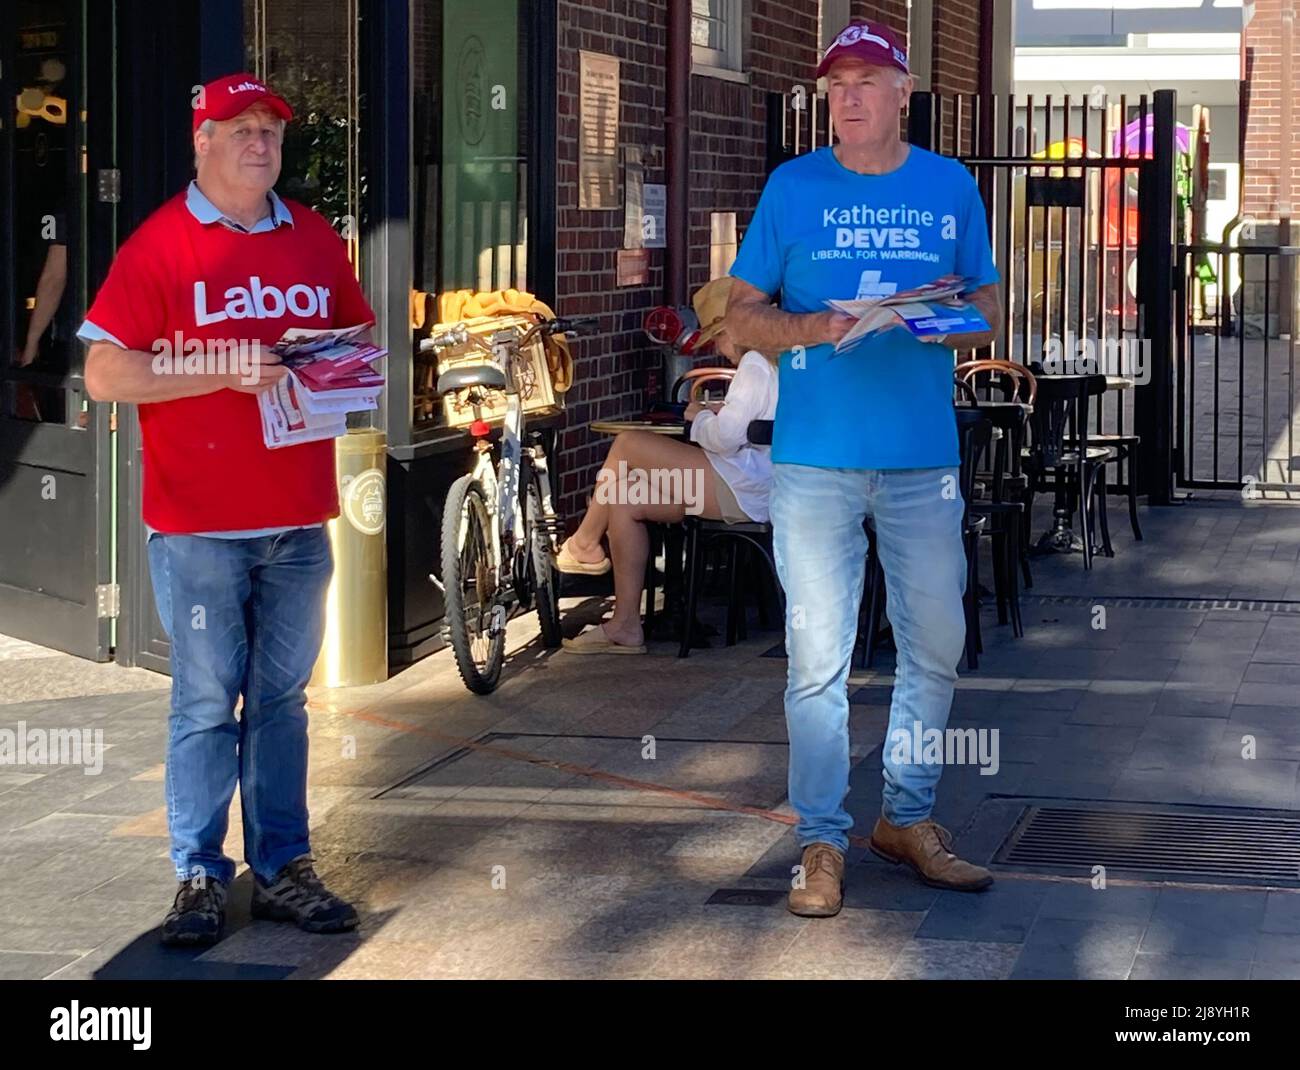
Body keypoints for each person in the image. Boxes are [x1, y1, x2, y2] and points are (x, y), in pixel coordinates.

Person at [79, 73, 370, 946]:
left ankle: (283, 866)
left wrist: (334, 367)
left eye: (270, 130)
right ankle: (200, 875)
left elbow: (350, 339)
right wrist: (224, 371)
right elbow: (104, 375)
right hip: (199, 525)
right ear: (200, 141)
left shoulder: (314, 238)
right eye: (239, 128)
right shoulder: (161, 245)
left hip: (296, 519)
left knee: (282, 704)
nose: (259, 143)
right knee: (205, 706)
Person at [726, 21, 1004, 917]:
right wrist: (820, 328)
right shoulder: (792, 187)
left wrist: (930, 318)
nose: (847, 96)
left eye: (865, 80)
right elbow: (741, 318)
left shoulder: (949, 184)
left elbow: (988, 308)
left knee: (936, 647)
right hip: (815, 462)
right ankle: (819, 842)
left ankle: (907, 819)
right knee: (817, 659)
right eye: (835, 83)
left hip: (923, 461)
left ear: (902, 91)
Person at [558, 278, 778, 654]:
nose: (719, 350)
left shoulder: (755, 365)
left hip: (741, 486)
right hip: (745, 483)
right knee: (624, 499)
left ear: (732, 329)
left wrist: (699, 418)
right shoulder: (773, 362)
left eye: (717, 338)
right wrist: (716, 416)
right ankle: (625, 624)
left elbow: (724, 438)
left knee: (627, 444)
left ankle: (584, 542)